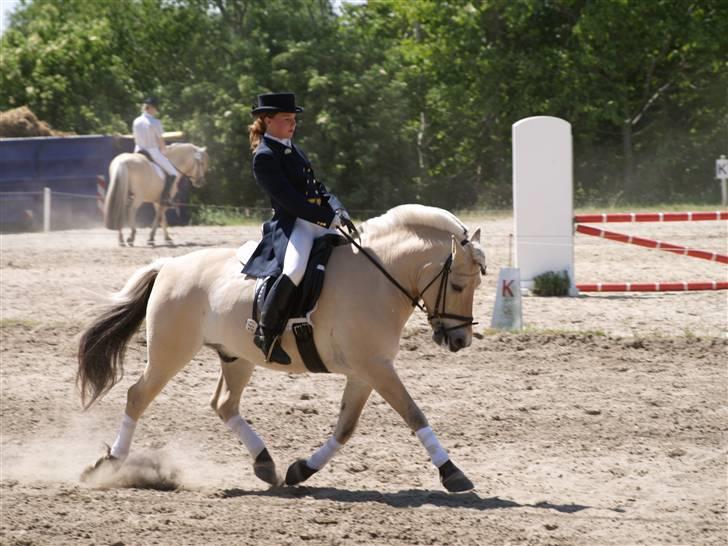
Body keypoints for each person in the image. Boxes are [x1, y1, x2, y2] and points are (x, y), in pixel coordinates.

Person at [242, 92, 356, 364]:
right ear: (267, 120)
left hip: (317, 219)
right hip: (294, 225)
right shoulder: (265, 156)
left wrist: (338, 208)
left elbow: (318, 188)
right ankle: (266, 333)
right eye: (286, 119)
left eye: (294, 119)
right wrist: (325, 219)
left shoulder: (294, 148)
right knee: (294, 269)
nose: (293, 124)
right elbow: (290, 202)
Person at [132, 97, 179, 205]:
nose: (156, 111)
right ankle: (165, 198)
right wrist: (165, 150)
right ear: (151, 108)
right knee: (173, 173)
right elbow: (160, 140)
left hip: (137, 151)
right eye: (155, 109)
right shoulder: (155, 122)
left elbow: (136, 138)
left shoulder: (136, 121)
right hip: (152, 152)